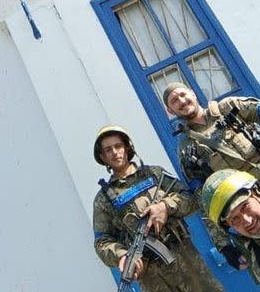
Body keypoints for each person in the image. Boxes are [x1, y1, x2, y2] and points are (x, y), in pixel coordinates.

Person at [163, 82, 260, 268]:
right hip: (248, 215)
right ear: (171, 111)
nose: (182, 101)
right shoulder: (187, 150)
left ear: (193, 93)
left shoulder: (228, 108)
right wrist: (224, 246)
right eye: (174, 101)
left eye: (182, 94)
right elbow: (205, 201)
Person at [91, 125, 223, 292]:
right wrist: (121, 255)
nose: (115, 152)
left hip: (187, 259)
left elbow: (191, 200)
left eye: (118, 146)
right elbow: (102, 241)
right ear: (102, 156)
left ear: (127, 147)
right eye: (108, 150)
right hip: (151, 276)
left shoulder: (155, 174)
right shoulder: (104, 199)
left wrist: (165, 206)